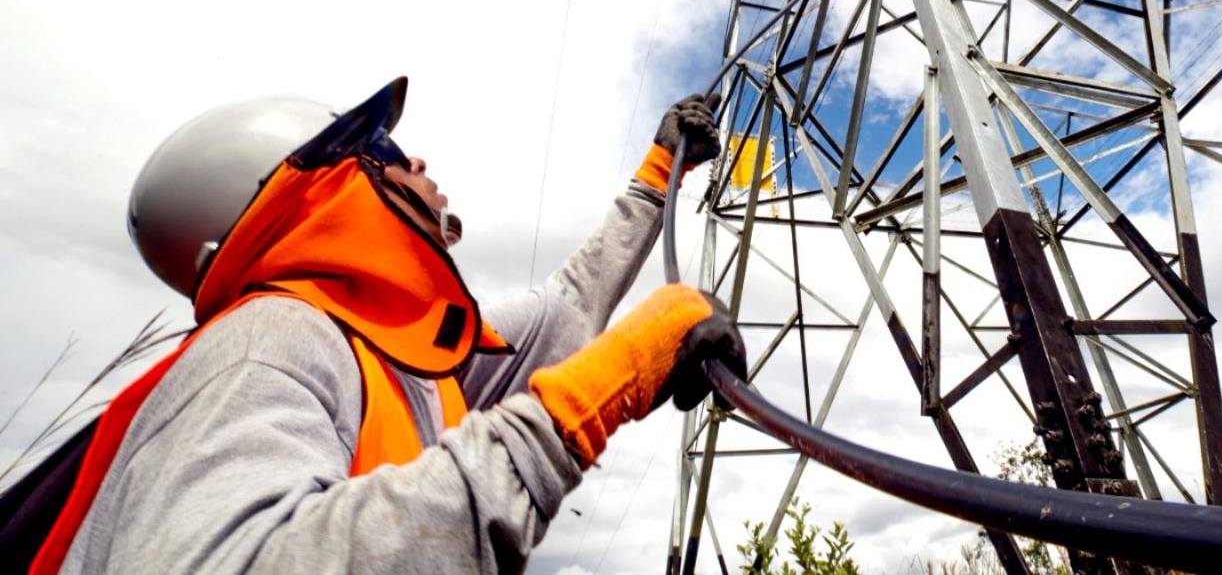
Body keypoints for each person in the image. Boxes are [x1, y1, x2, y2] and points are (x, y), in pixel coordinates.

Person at [32, 77, 746, 574]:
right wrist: (582, 406)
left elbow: (563, 312)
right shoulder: (271, 339)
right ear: (320, 190)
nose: (418, 160)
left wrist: (659, 173)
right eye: (385, 153)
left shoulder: (404, 358)